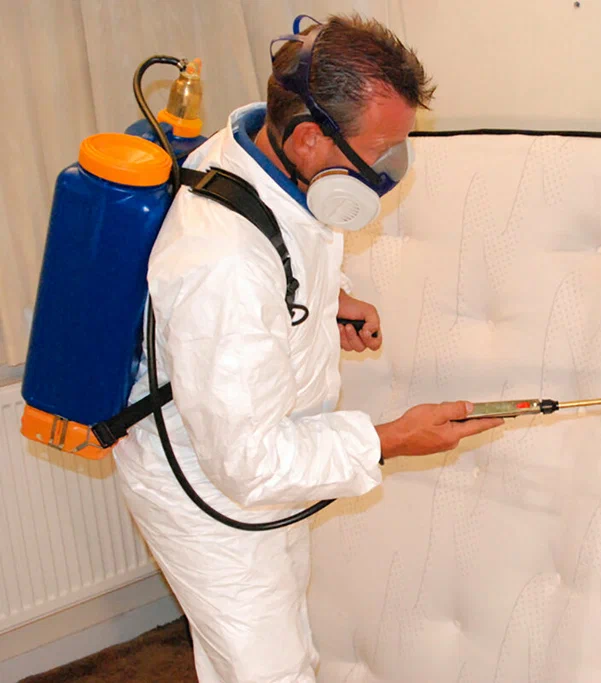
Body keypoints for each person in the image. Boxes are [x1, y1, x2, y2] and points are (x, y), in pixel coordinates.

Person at [111, 13, 503, 683]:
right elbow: (249, 463)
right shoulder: (224, 262)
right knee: (267, 669)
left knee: (288, 645)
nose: (387, 171)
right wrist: (390, 439)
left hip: (267, 452)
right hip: (210, 488)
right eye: (380, 151)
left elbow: (284, 247)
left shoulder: (265, 162)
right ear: (309, 137)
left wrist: (328, 302)